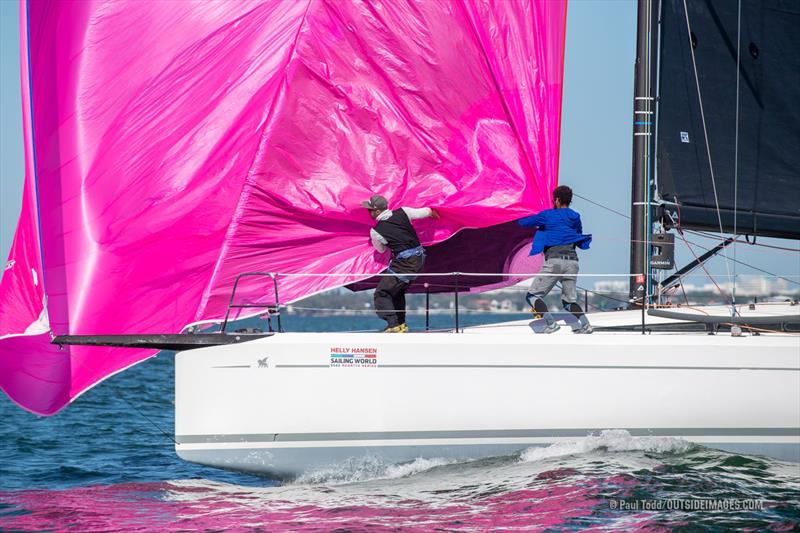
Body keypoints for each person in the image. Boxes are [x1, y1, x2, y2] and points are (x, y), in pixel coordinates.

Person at [518, 185, 593, 334]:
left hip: (554, 261)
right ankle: (586, 325)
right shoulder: (575, 216)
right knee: (569, 301)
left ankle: (551, 324)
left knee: (533, 295)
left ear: (557, 200)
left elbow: (523, 223)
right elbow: (578, 233)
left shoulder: (547, 215)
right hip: (573, 262)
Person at [363, 195, 438, 332]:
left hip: (405, 263)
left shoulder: (375, 231)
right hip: (419, 259)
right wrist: (433, 214)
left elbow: (381, 249)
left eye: (369, 210)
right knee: (397, 292)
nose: (368, 213)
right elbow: (426, 211)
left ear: (377, 211)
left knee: (382, 292)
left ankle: (393, 326)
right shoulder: (404, 211)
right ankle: (401, 324)